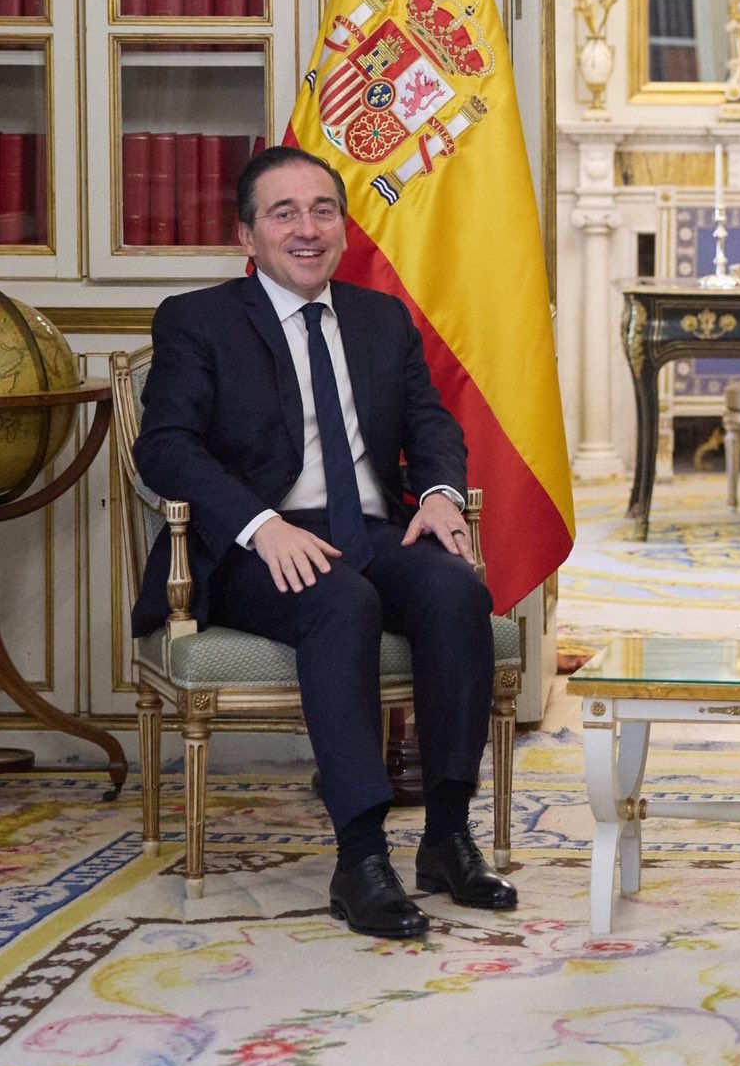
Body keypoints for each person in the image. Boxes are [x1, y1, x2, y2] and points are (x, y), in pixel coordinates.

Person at [130, 144, 518, 939]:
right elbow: (165, 448)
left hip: (370, 530)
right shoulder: (197, 320)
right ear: (247, 236)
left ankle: (447, 838)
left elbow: (430, 423)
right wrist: (260, 525)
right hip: (254, 546)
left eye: (322, 212)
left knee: (457, 590)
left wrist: (439, 492)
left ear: (342, 227)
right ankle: (361, 857)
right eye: (284, 214)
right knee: (342, 601)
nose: (307, 229)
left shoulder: (380, 319)